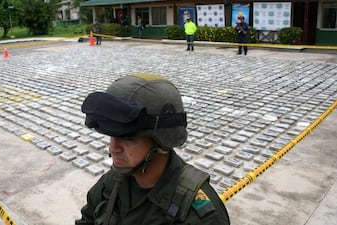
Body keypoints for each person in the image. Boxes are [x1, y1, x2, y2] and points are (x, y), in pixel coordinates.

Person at [75, 73, 230, 225]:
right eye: (111, 136)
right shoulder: (113, 181)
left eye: (129, 139)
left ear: (161, 141)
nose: (113, 148)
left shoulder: (200, 216)